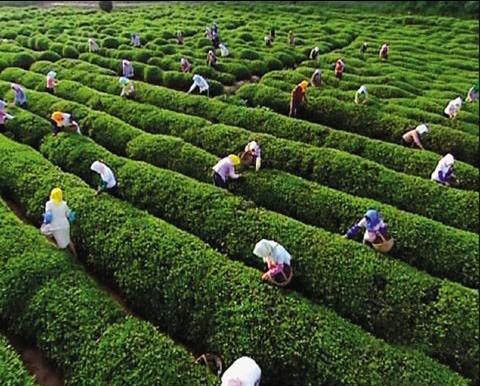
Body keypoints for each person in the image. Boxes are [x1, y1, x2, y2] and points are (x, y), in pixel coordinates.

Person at [41, 188, 77, 257]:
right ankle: (75, 255)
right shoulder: (64, 204)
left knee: (44, 232)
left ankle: (55, 247)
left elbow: (48, 216)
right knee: (68, 240)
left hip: (55, 225)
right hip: (65, 225)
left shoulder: (49, 204)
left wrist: (45, 221)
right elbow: (69, 214)